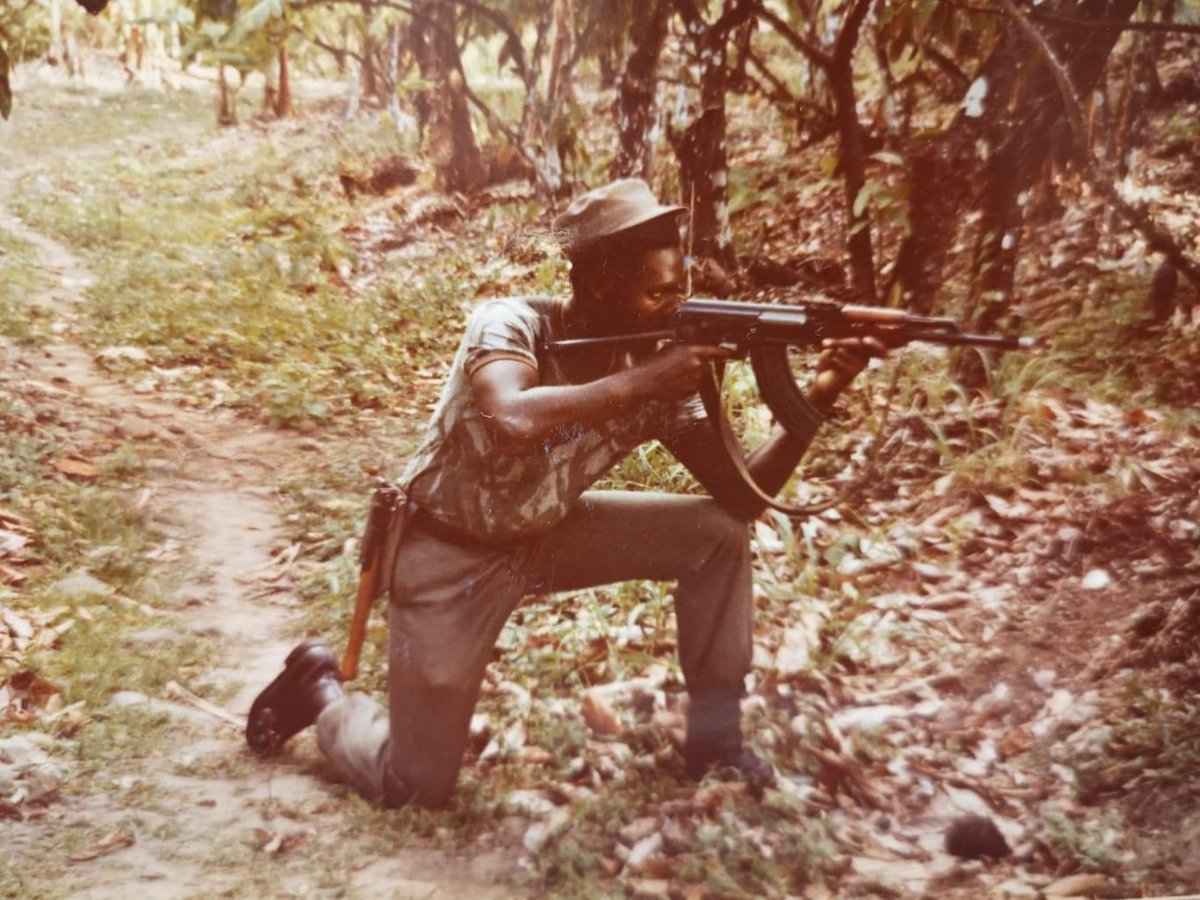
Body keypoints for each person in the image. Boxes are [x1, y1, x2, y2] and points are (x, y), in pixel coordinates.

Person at [245, 178, 885, 808]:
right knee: (415, 784)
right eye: (657, 293)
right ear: (601, 284)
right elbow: (514, 417)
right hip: (448, 551)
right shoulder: (510, 323)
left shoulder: (656, 364)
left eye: (679, 290)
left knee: (716, 534)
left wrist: (820, 392)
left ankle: (714, 742)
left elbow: (743, 496)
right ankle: (321, 692)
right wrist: (648, 381)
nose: (675, 308)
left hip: (546, 536)